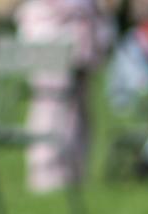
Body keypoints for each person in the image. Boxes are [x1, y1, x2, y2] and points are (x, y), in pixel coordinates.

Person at [15, 0, 115, 193]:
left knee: (73, 112)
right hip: (53, 43)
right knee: (52, 111)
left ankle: (71, 171)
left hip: (70, 46)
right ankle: (48, 173)